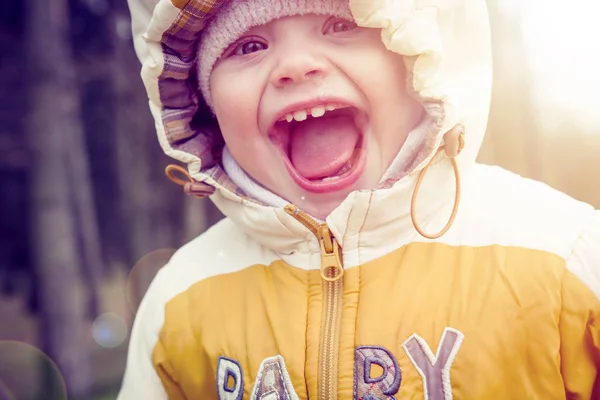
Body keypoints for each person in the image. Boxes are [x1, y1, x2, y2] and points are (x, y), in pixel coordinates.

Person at [118, 0, 600, 398]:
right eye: (248, 46)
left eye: (339, 25)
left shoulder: (562, 256)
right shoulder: (179, 300)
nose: (294, 66)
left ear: (420, 62)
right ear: (206, 105)